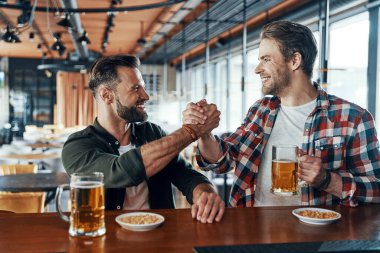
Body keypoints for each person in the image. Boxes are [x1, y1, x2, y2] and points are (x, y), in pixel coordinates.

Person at [183, 20, 380, 207]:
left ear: (294, 60)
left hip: (317, 237)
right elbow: (225, 159)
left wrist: (327, 180)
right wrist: (204, 133)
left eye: (266, 59)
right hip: (254, 230)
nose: (257, 69)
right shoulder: (261, 110)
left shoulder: (353, 119)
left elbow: (376, 189)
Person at [62, 55, 225, 223]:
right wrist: (192, 131)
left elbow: (187, 175)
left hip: (161, 237)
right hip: (106, 239)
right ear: (106, 95)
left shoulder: (152, 132)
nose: (146, 96)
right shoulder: (77, 146)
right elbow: (120, 170)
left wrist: (205, 193)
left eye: (144, 88)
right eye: (136, 88)